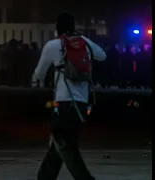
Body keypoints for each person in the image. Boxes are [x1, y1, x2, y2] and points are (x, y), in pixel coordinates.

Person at [32, 13, 106, 180]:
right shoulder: (84, 43)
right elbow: (102, 55)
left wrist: (35, 85)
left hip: (62, 103)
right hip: (82, 103)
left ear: (57, 28)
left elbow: (39, 73)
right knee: (58, 145)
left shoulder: (53, 45)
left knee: (65, 145)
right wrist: (82, 42)